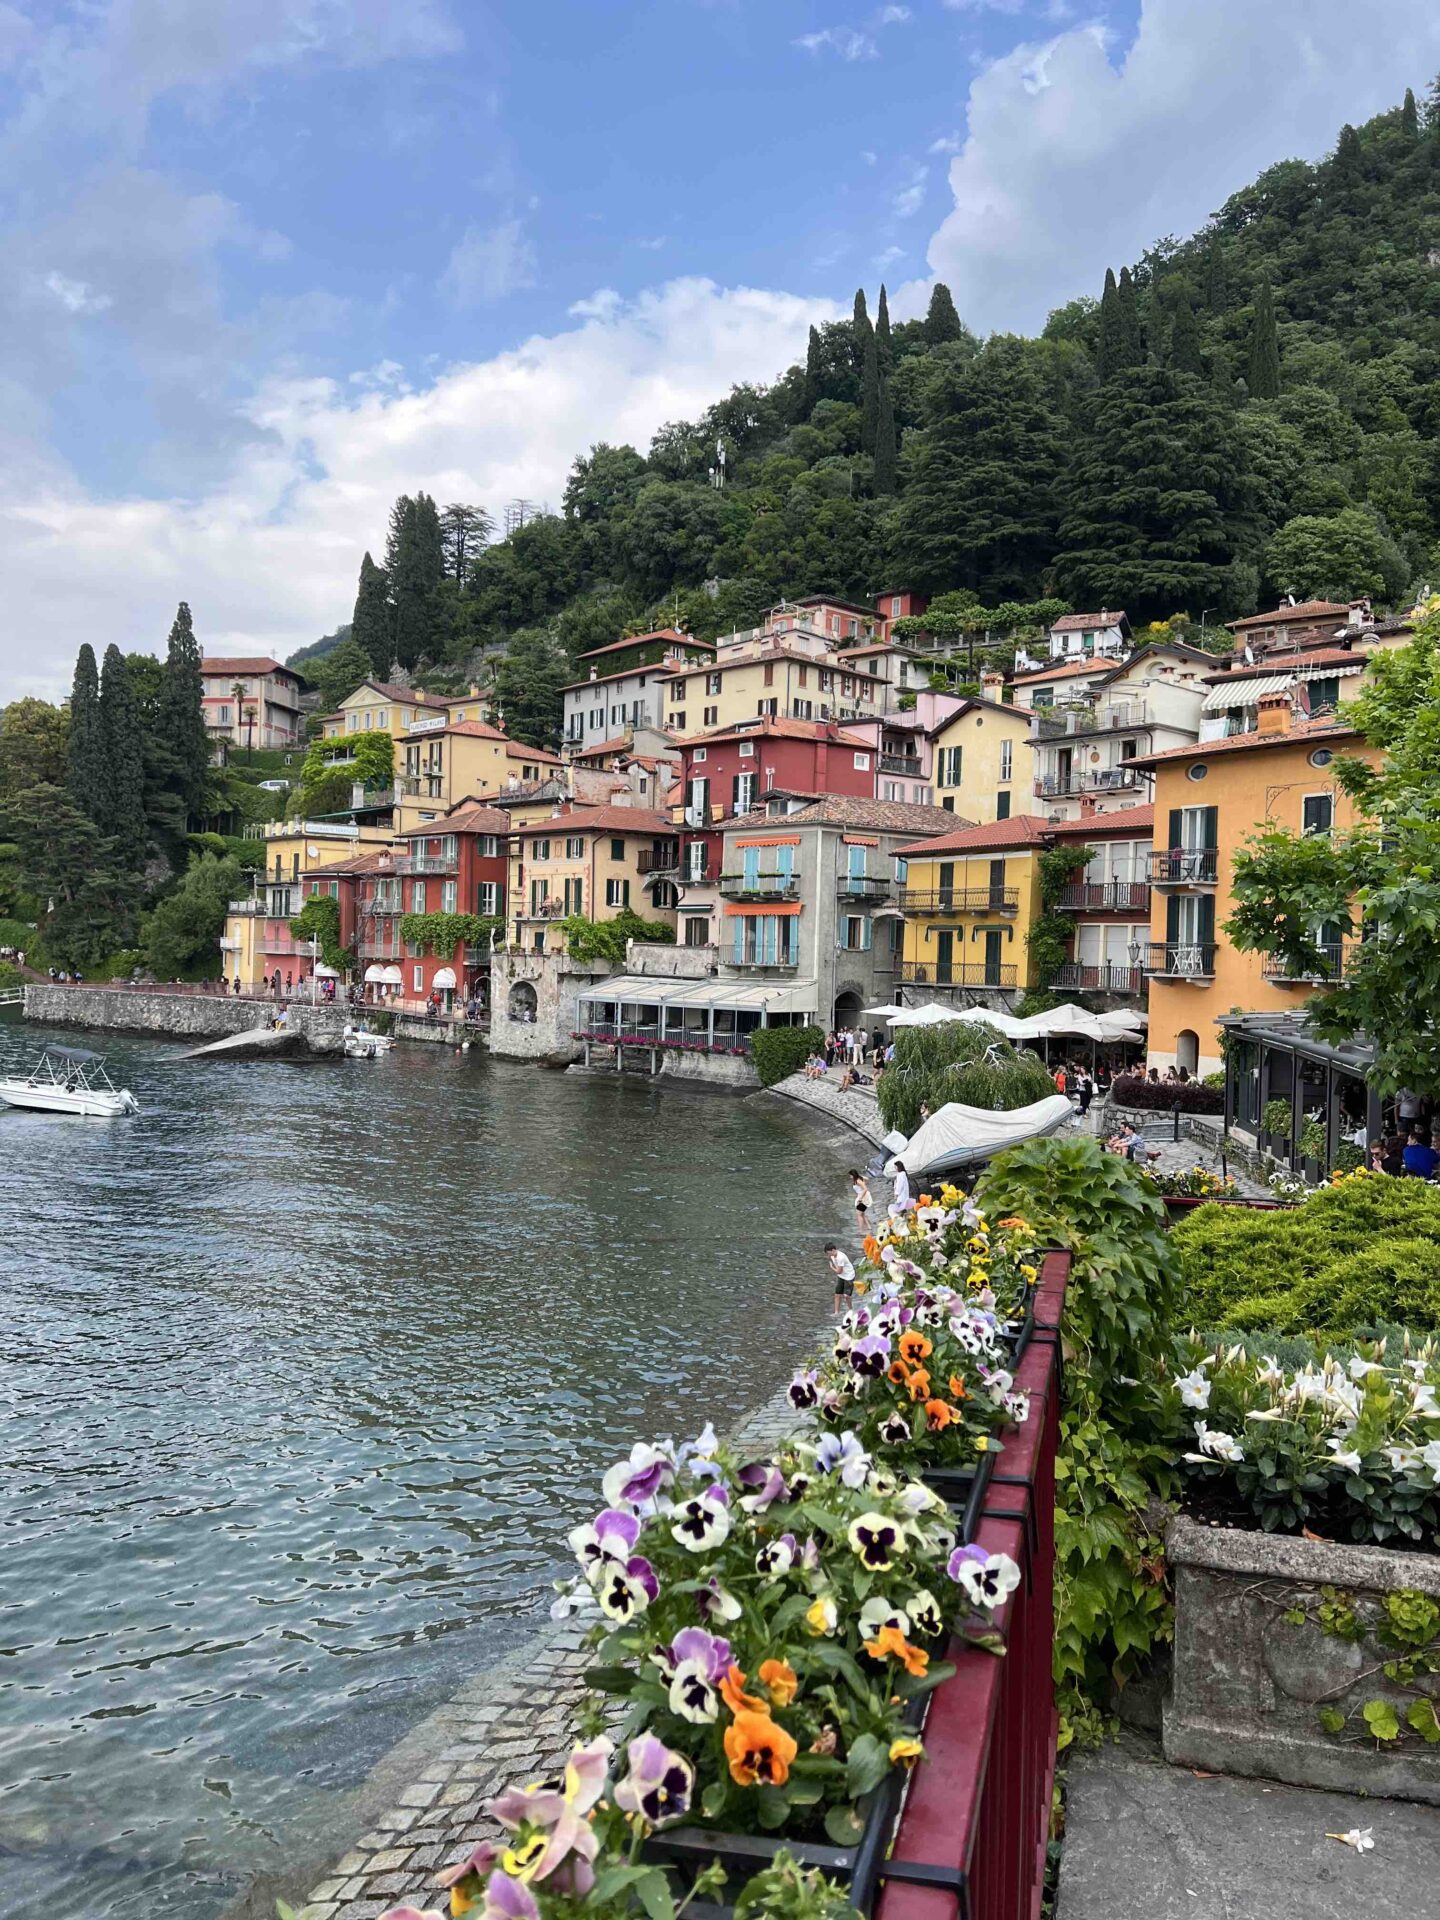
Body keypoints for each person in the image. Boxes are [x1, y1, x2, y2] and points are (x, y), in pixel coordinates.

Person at [826, 1242, 856, 1315]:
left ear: (833, 1250)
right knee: (837, 1294)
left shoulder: (840, 1257)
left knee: (846, 1296)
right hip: (842, 1276)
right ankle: (836, 1312)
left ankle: (851, 1311)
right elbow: (839, 1272)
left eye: (829, 1253)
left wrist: (832, 1267)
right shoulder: (833, 1256)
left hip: (849, 1276)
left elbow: (839, 1271)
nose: (829, 1255)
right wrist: (829, 1256)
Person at [849, 1169, 872, 1236]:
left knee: (859, 1214)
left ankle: (861, 1230)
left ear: (853, 1175)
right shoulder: (858, 1179)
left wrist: (861, 1198)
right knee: (862, 1213)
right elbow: (867, 1179)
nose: (850, 1177)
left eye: (850, 1175)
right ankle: (869, 1227)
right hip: (862, 1197)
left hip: (864, 1198)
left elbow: (865, 1188)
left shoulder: (858, 1181)